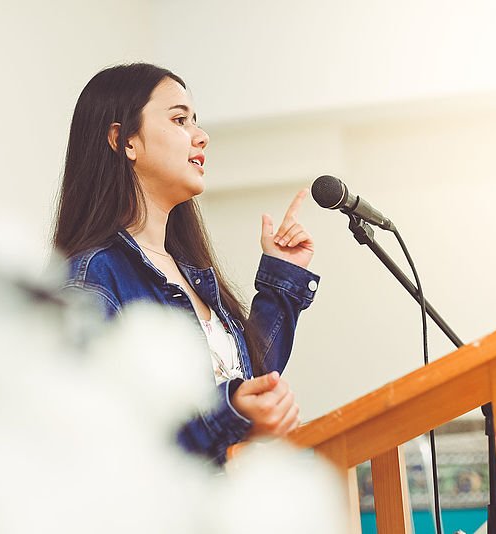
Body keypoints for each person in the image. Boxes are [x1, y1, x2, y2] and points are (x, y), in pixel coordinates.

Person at [54, 63, 320, 465]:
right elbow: (105, 436)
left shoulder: (188, 270)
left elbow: (246, 380)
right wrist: (229, 413)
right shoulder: (93, 278)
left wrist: (283, 277)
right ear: (124, 140)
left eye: (195, 121)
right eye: (180, 119)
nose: (202, 136)